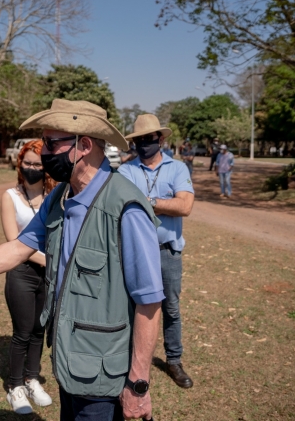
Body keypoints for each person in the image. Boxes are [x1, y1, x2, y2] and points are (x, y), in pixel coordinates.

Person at [0, 99, 163, 421]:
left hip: (104, 378)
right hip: (70, 363)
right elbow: (18, 248)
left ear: (85, 145)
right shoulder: (60, 197)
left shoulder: (126, 208)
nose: (45, 152)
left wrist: (138, 384)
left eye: (52, 143)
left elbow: (149, 303)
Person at [118, 114, 195, 390]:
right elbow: (121, 205)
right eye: (138, 140)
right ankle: (129, 360)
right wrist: (164, 203)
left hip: (167, 251)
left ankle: (174, 360)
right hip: (135, 251)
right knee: (132, 306)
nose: (143, 144)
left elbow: (185, 206)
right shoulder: (126, 171)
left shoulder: (178, 169)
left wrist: (148, 201)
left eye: (148, 139)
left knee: (170, 308)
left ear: (160, 139)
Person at [0, 140, 56, 414]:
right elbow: (13, 240)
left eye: (38, 164)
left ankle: (32, 379)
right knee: (22, 332)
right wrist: (49, 261)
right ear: (20, 164)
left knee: (38, 330)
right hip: (21, 272)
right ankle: (15, 387)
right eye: (28, 163)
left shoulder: (54, 195)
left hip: (47, 275)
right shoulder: (10, 196)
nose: (32, 168)